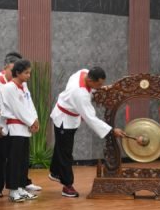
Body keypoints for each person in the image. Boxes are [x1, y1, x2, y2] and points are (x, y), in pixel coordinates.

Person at [49, 67, 126, 198]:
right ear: (90, 80)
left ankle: (55, 172)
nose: (100, 86)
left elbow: (92, 90)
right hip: (64, 119)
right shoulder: (80, 94)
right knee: (66, 153)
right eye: (99, 84)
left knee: (61, 147)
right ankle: (67, 186)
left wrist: (100, 88)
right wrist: (111, 131)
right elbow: (91, 118)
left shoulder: (82, 72)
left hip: (69, 115)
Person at [1, 59, 39, 202]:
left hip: (25, 128)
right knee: (14, 161)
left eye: (30, 73)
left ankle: (21, 187)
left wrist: (35, 119)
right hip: (15, 128)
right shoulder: (9, 87)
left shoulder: (24, 86)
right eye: (26, 73)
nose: (29, 76)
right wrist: (31, 121)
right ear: (17, 73)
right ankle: (13, 190)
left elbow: (30, 104)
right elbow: (17, 108)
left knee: (23, 161)